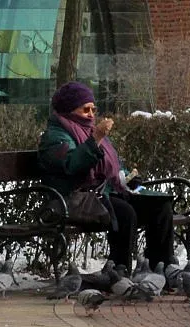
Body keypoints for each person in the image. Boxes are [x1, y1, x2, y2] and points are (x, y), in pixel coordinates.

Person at [37, 81, 174, 271]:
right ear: (69, 110)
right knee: (124, 212)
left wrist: (128, 177)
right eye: (86, 110)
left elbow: (113, 166)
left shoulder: (90, 132)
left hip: (103, 193)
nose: (91, 115)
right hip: (73, 198)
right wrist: (95, 140)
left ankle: (162, 268)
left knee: (160, 206)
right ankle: (118, 271)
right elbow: (71, 165)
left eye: (93, 109)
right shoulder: (55, 135)